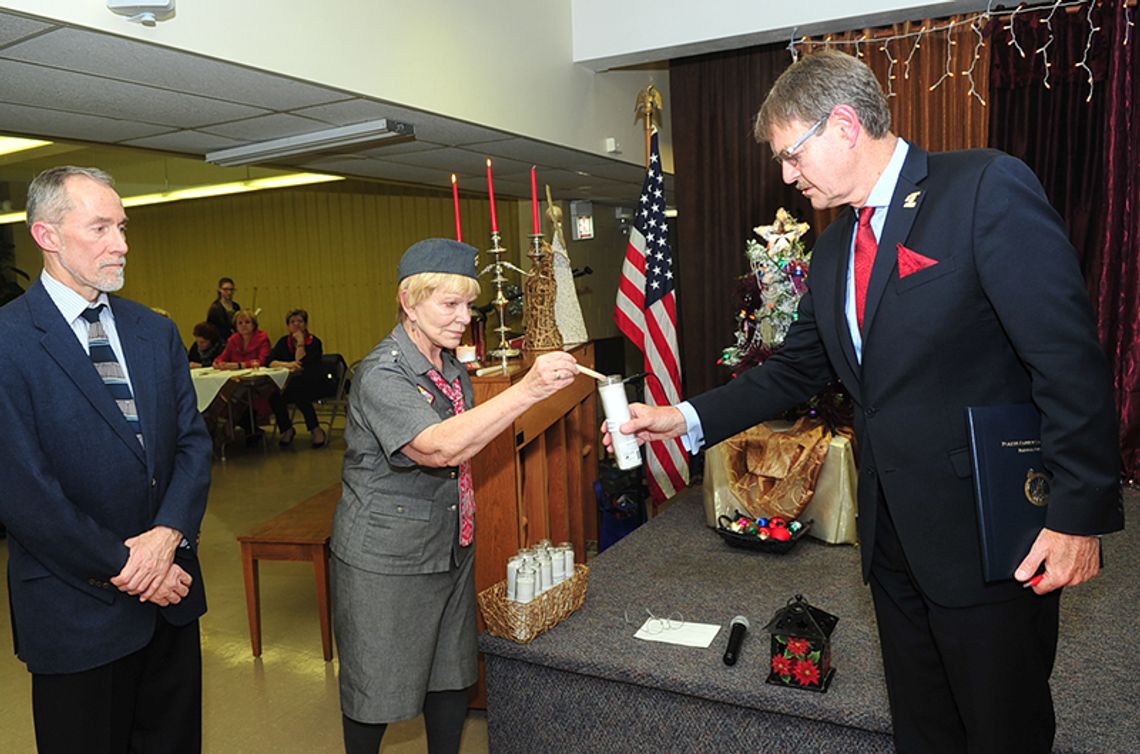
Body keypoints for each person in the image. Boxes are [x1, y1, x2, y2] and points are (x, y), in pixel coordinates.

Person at [607, 50, 1124, 754]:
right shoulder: (832, 251)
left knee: (1004, 724)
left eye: (792, 154)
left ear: (844, 125)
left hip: (989, 531)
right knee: (924, 724)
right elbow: (793, 372)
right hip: (891, 540)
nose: (787, 176)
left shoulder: (981, 188)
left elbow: (1066, 360)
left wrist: (1076, 516)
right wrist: (681, 418)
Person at [331, 238, 580, 754]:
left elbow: (470, 439)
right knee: (374, 690)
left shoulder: (450, 368)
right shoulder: (382, 373)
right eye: (450, 304)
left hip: (448, 544)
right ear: (409, 302)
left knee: (451, 674)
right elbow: (438, 448)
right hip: (386, 558)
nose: (465, 316)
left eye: (469, 304)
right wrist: (529, 390)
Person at [0, 166, 212, 753]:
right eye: (100, 228)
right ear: (47, 235)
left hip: (171, 602)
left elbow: (192, 444)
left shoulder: (154, 331)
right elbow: (24, 493)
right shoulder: (8, 342)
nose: (121, 244)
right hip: (78, 610)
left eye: (121, 226)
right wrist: (131, 566)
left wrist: (168, 535)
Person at [268, 307, 328, 448]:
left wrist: (300, 342)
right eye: (292, 322)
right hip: (291, 384)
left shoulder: (314, 342)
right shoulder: (283, 342)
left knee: (300, 392)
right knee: (274, 397)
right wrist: (288, 364)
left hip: (314, 383)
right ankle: (286, 429)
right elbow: (271, 361)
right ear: (288, 325)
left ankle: (315, 429)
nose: (296, 325)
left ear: (306, 324)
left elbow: (301, 364)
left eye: (300, 321)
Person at [206, 276, 240, 341]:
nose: (229, 292)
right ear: (220, 290)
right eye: (226, 289)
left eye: (231, 289)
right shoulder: (215, 308)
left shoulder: (236, 306)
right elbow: (211, 329)